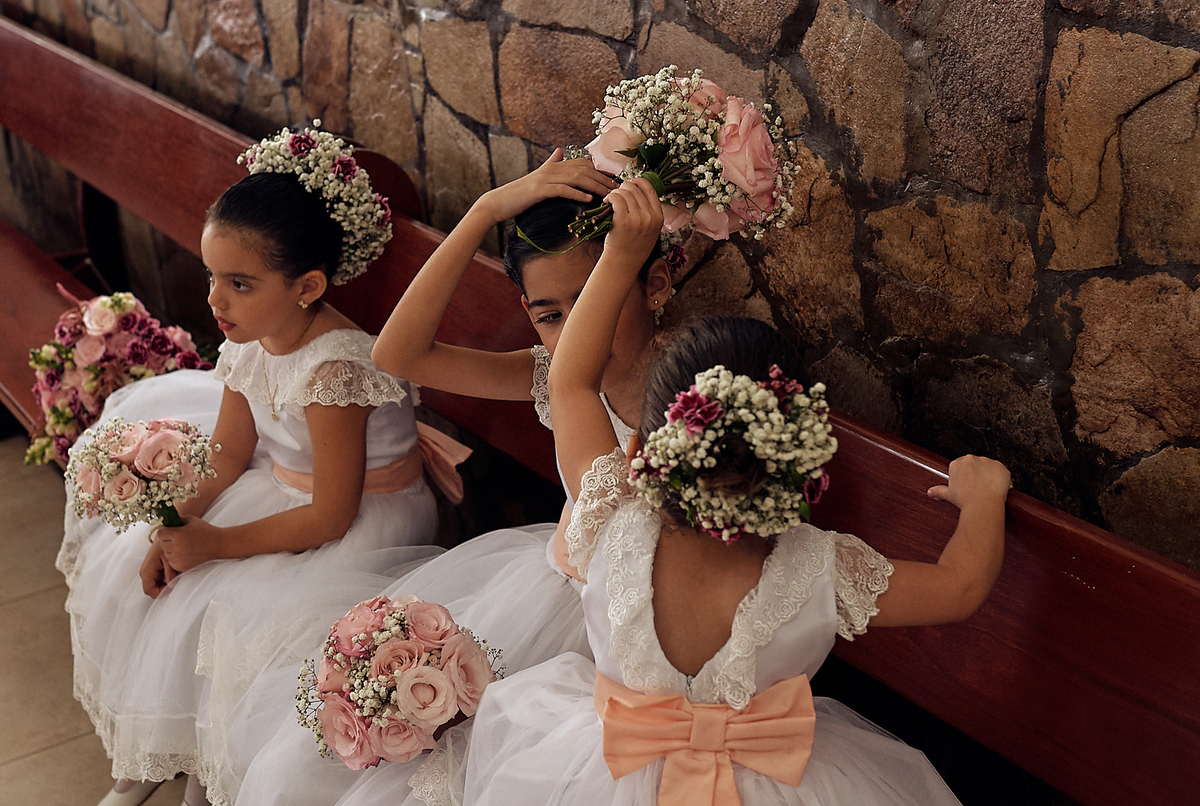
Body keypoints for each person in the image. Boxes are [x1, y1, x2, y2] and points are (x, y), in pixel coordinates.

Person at [450, 178, 1013, 805]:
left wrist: (621, 254)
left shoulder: (607, 520)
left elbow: (570, 384)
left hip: (599, 772)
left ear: (638, 452)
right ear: (798, 459)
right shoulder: (819, 570)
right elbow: (961, 588)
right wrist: (984, 496)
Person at [198, 151, 678, 806]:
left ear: (654, 283)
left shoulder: (685, 389)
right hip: (543, 588)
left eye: (597, 299)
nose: (573, 333)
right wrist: (486, 210)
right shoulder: (548, 373)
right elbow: (397, 354)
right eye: (550, 314)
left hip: (627, 628)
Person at [57, 126, 451, 806]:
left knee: (247, 621)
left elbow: (331, 515)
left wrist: (215, 544)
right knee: (164, 585)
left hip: (359, 516)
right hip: (281, 487)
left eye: (239, 283)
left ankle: (213, 780)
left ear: (308, 286)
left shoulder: (335, 370)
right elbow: (230, 452)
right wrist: (176, 527)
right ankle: (152, 763)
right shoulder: (248, 338)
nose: (216, 300)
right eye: (212, 276)